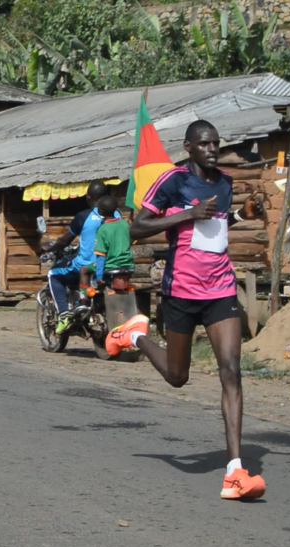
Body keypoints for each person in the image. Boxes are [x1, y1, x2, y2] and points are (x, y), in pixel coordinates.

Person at [109, 120, 267, 500]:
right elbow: (137, 227)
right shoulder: (173, 181)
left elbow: (218, 224)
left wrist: (242, 213)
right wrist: (185, 214)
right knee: (177, 377)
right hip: (180, 290)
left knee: (231, 371)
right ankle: (134, 335)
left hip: (220, 289)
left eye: (216, 143)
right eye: (204, 144)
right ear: (189, 147)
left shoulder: (225, 183)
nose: (212, 149)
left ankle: (234, 472)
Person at [40, 182, 111, 333]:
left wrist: (51, 249)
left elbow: (65, 240)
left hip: (87, 265)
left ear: (88, 197)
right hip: (109, 264)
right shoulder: (116, 214)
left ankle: (64, 314)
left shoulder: (83, 217)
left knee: (53, 274)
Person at [77, 195, 133, 300]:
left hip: (111, 265)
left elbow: (101, 256)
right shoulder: (124, 224)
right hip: (128, 264)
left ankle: (84, 300)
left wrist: (99, 277)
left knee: (83, 270)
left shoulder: (102, 229)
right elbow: (130, 241)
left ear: (100, 212)